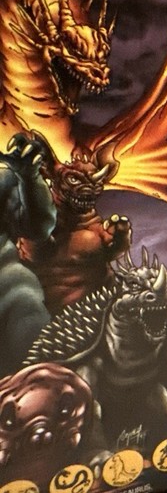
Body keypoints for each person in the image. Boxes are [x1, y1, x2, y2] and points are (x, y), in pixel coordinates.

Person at [0, 133, 56, 375]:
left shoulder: (4, 177)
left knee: (22, 296)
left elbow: (39, 227)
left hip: (6, 287)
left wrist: (29, 180)